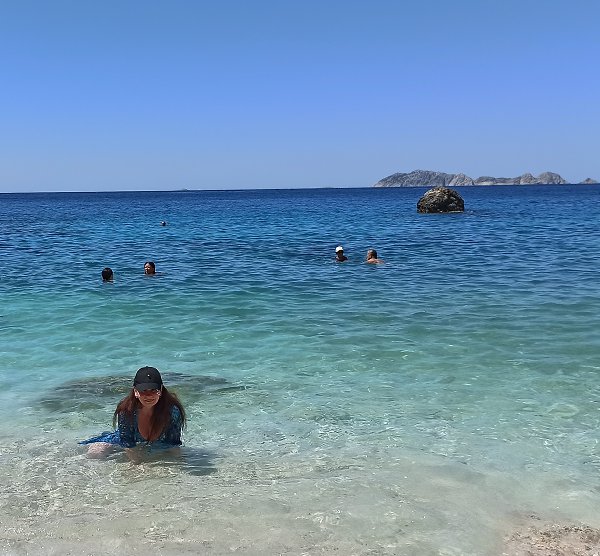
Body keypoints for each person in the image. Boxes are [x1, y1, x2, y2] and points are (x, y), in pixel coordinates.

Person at [80, 366, 186, 455]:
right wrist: (138, 467)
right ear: (136, 391)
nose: (149, 395)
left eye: (153, 390)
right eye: (143, 390)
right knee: (96, 452)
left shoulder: (172, 411)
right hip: (121, 442)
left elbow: (173, 445)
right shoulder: (126, 411)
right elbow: (128, 445)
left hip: (151, 446)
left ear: (161, 390)